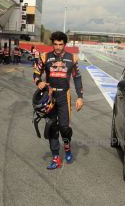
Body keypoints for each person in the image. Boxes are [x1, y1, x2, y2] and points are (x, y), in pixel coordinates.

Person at [33, 31, 84, 170]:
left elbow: (77, 77)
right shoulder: (45, 57)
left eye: (60, 44)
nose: (57, 47)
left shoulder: (72, 58)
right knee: (51, 127)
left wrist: (80, 97)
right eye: (55, 44)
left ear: (64, 44)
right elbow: (36, 72)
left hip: (64, 96)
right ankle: (56, 157)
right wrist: (39, 82)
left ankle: (67, 146)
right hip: (49, 97)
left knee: (64, 127)